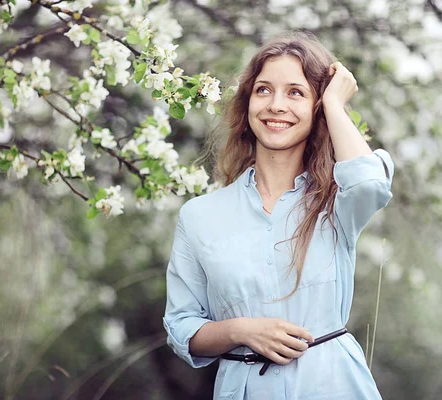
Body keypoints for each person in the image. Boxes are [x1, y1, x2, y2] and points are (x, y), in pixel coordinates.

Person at [163, 31, 394, 399]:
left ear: (316, 107)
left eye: (296, 92)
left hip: (332, 385)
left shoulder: (336, 200)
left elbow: (370, 183)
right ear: (248, 102)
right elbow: (182, 328)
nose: (276, 105)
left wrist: (334, 103)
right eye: (264, 90)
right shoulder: (200, 216)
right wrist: (241, 330)